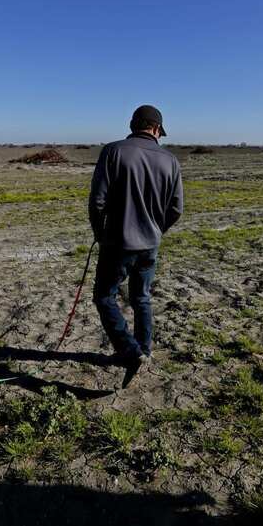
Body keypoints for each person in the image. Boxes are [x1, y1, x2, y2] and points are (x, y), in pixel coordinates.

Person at [89, 105, 183, 368]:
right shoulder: (170, 160)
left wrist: (100, 233)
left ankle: (131, 351)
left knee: (104, 297)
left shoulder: (113, 151)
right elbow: (176, 209)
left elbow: (97, 201)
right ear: (155, 129)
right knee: (141, 297)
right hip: (150, 244)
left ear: (133, 126)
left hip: (117, 243)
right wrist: (155, 229)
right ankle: (144, 350)